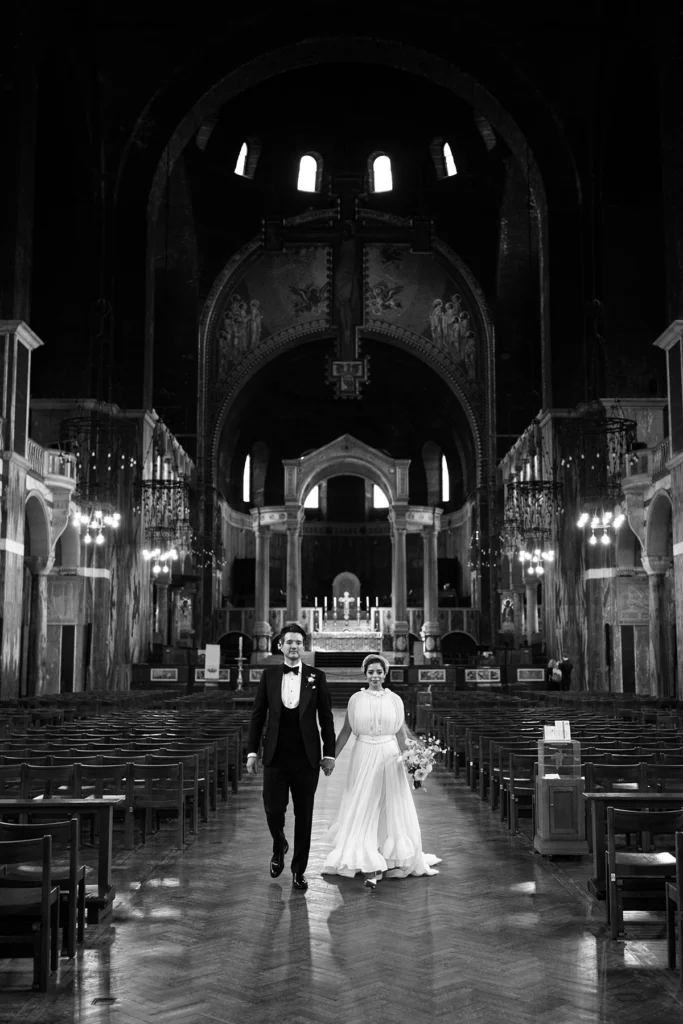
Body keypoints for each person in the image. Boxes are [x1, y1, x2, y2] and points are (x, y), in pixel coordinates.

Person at [321, 654, 441, 886]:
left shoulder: (395, 700)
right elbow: (346, 731)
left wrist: (414, 761)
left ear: (385, 674)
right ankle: (367, 858)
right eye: (371, 672)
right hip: (363, 754)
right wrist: (331, 757)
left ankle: (392, 858)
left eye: (379, 672)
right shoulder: (355, 699)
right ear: (365, 674)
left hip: (389, 756)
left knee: (388, 804)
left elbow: (401, 734)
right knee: (364, 802)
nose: (375, 676)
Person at [246, 623, 336, 892]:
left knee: (304, 815)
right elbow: (258, 715)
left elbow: (327, 718)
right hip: (275, 755)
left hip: (307, 758)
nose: (294, 646)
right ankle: (279, 844)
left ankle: (299, 870)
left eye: (298, 642)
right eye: (289, 642)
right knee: (273, 810)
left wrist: (329, 753)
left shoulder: (316, 677)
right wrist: (252, 752)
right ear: (280, 646)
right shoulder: (269, 675)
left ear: (304, 646)